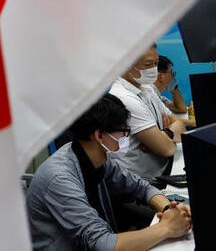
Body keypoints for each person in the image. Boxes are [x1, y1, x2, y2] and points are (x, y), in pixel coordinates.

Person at [27, 94, 192, 250]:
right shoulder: (59, 179)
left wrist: (169, 209)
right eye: (124, 132)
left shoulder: (97, 158)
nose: (126, 137)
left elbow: (141, 187)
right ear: (99, 135)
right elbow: (103, 245)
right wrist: (167, 227)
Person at [108, 45, 187, 183]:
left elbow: (180, 125)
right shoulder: (125, 98)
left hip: (164, 169)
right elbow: (167, 149)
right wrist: (167, 139)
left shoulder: (147, 89)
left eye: (156, 63)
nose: (154, 70)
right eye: (148, 64)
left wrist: (164, 134)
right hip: (142, 184)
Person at [154, 55, 196, 127]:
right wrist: (192, 122)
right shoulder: (151, 97)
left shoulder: (159, 98)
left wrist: (174, 87)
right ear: (161, 76)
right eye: (172, 73)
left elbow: (181, 109)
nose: (173, 77)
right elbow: (163, 121)